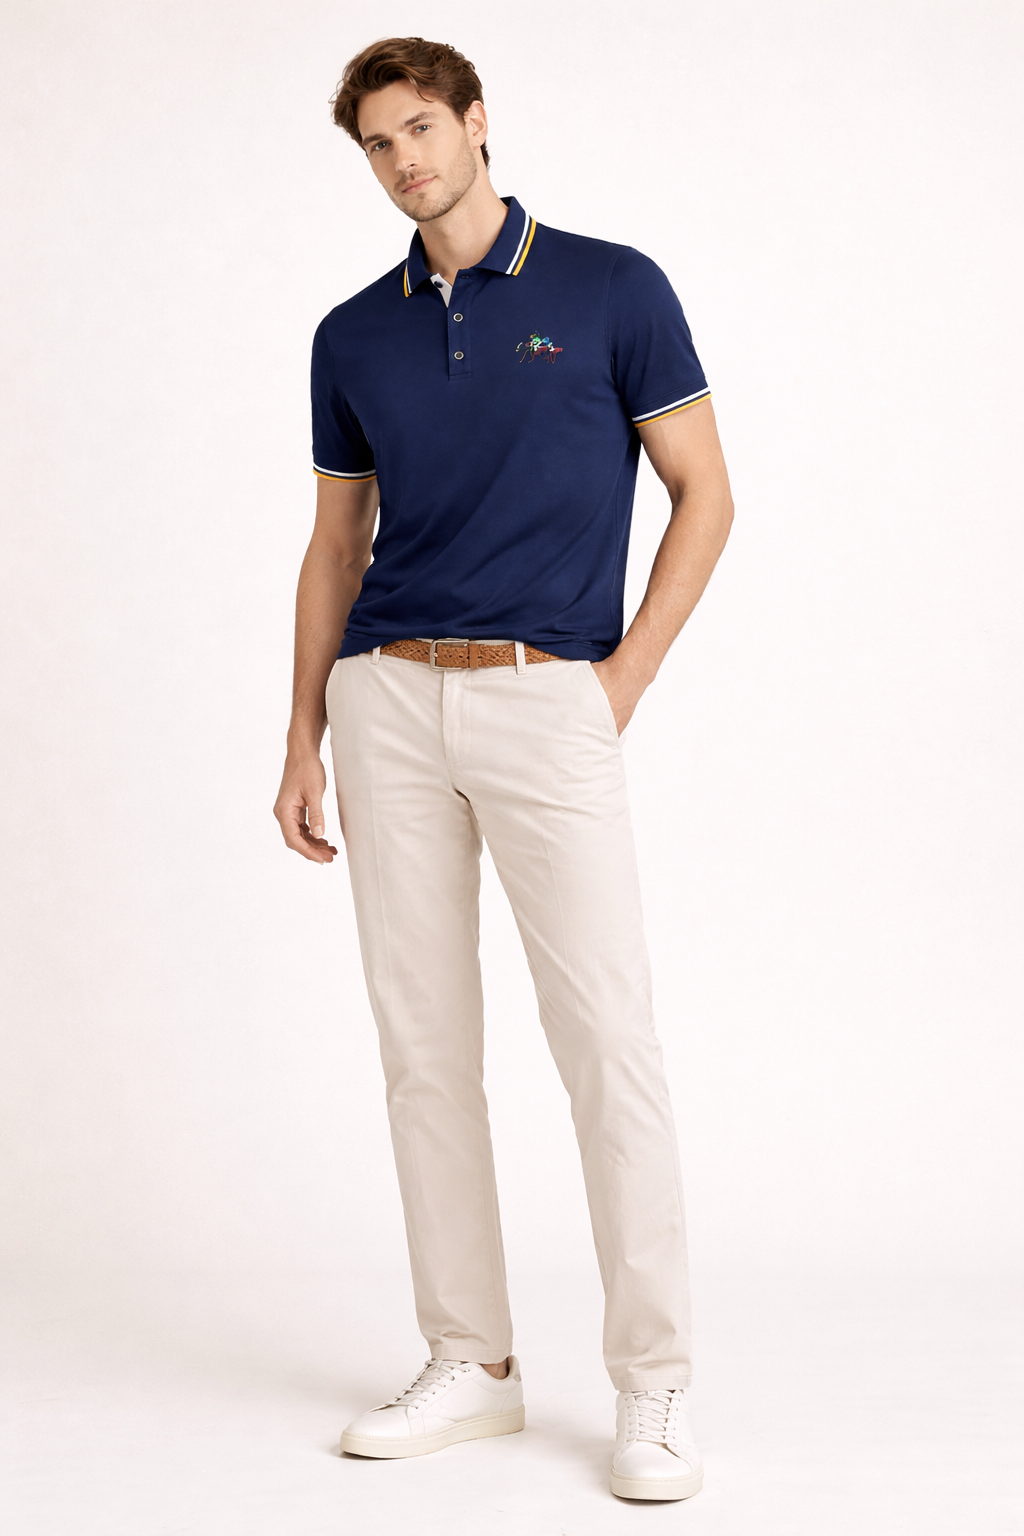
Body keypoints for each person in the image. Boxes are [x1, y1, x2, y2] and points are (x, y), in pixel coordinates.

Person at [273, 35, 734, 1503]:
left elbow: (706, 494)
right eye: (377, 144)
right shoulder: (353, 334)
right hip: (388, 700)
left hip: (551, 696)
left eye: (420, 127)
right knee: (424, 1049)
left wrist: (622, 681)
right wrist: (304, 733)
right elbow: (336, 545)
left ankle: (653, 1384)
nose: (403, 161)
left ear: (477, 123)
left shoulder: (612, 289)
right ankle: (471, 1361)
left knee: (608, 1042)